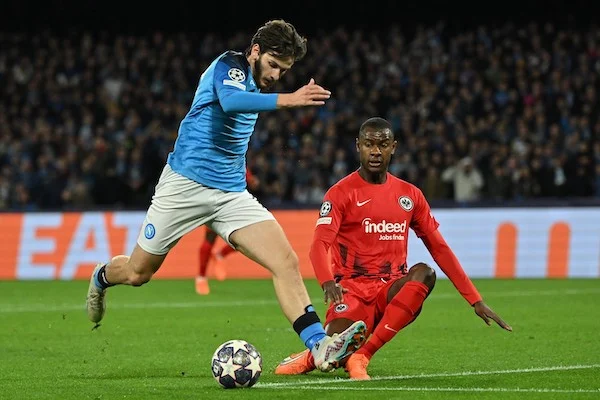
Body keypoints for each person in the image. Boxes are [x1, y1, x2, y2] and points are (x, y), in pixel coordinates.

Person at [86, 19, 366, 372]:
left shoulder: (258, 83)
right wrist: (289, 100)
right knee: (137, 273)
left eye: (284, 70)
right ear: (255, 52)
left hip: (231, 194)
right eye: (273, 65)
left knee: (285, 261)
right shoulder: (228, 66)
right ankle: (101, 276)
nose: (276, 75)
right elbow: (231, 102)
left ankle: (320, 346)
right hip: (184, 186)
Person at [275, 117, 512, 380]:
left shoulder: (410, 195)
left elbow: (440, 249)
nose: (376, 151)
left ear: (393, 147)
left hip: (390, 290)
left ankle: (362, 356)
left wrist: (475, 300)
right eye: (369, 144)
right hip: (351, 291)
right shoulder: (340, 193)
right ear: (358, 146)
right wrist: (327, 281)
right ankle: (311, 356)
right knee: (332, 351)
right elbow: (319, 245)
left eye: (383, 144)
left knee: (425, 273)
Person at [195, 168, 260, 295]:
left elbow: (238, 165)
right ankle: (201, 277)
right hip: (213, 199)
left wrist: (250, 178)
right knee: (210, 238)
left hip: (233, 200)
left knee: (243, 238)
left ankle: (220, 254)